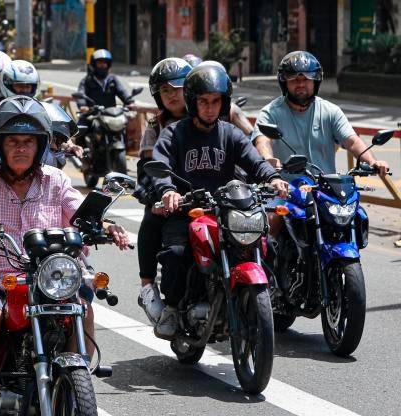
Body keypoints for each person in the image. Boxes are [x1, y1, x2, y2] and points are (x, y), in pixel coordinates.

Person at [0, 96, 129, 416]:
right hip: (0, 282)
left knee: (83, 308)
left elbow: (81, 211)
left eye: (28, 141)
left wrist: (107, 224)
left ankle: (77, 384)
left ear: (41, 144)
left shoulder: (56, 180)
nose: (21, 148)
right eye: (13, 141)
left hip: (50, 278)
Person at [150, 63, 288, 339]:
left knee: (265, 242)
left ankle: (267, 294)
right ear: (192, 102)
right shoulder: (174, 134)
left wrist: (272, 178)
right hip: (188, 210)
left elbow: (253, 161)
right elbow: (159, 165)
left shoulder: (230, 133)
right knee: (177, 254)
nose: (210, 108)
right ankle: (174, 308)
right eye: (203, 101)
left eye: (216, 102)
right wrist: (168, 191)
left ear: (224, 103)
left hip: (226, 210)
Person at [251, 51, 389, 238]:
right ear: (284, 83)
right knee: (272, 221)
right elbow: (262, 140)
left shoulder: (330, 111)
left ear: (316, 82)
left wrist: (373, 162)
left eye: (306, 79)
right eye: (294, 80)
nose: (301, 84)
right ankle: (266, 266)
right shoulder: (270, 112)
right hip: (284, 189)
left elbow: (352, 140)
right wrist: (268, 160)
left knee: (354, 218)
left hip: (325, 190)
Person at [135, 57, 191, 325]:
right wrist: (159, 197)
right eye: (165, 91)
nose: (171, 95)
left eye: (177, 89)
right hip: (169, 195)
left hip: (208, 193)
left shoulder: (207, 116)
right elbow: (147, 166)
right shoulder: (156, 125)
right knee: (151, 220)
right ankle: (148, 287)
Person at [75, 49, 131, 114]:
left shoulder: (112, 79)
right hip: (91, 115)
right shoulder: (87, 80)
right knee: (80, 124)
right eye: (100, 63)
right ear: (94, 65)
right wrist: (82, 106)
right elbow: (81, 93)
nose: (102, 65)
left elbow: (122, 91)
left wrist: (129, 101)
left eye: (105, 63)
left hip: (111, 115)